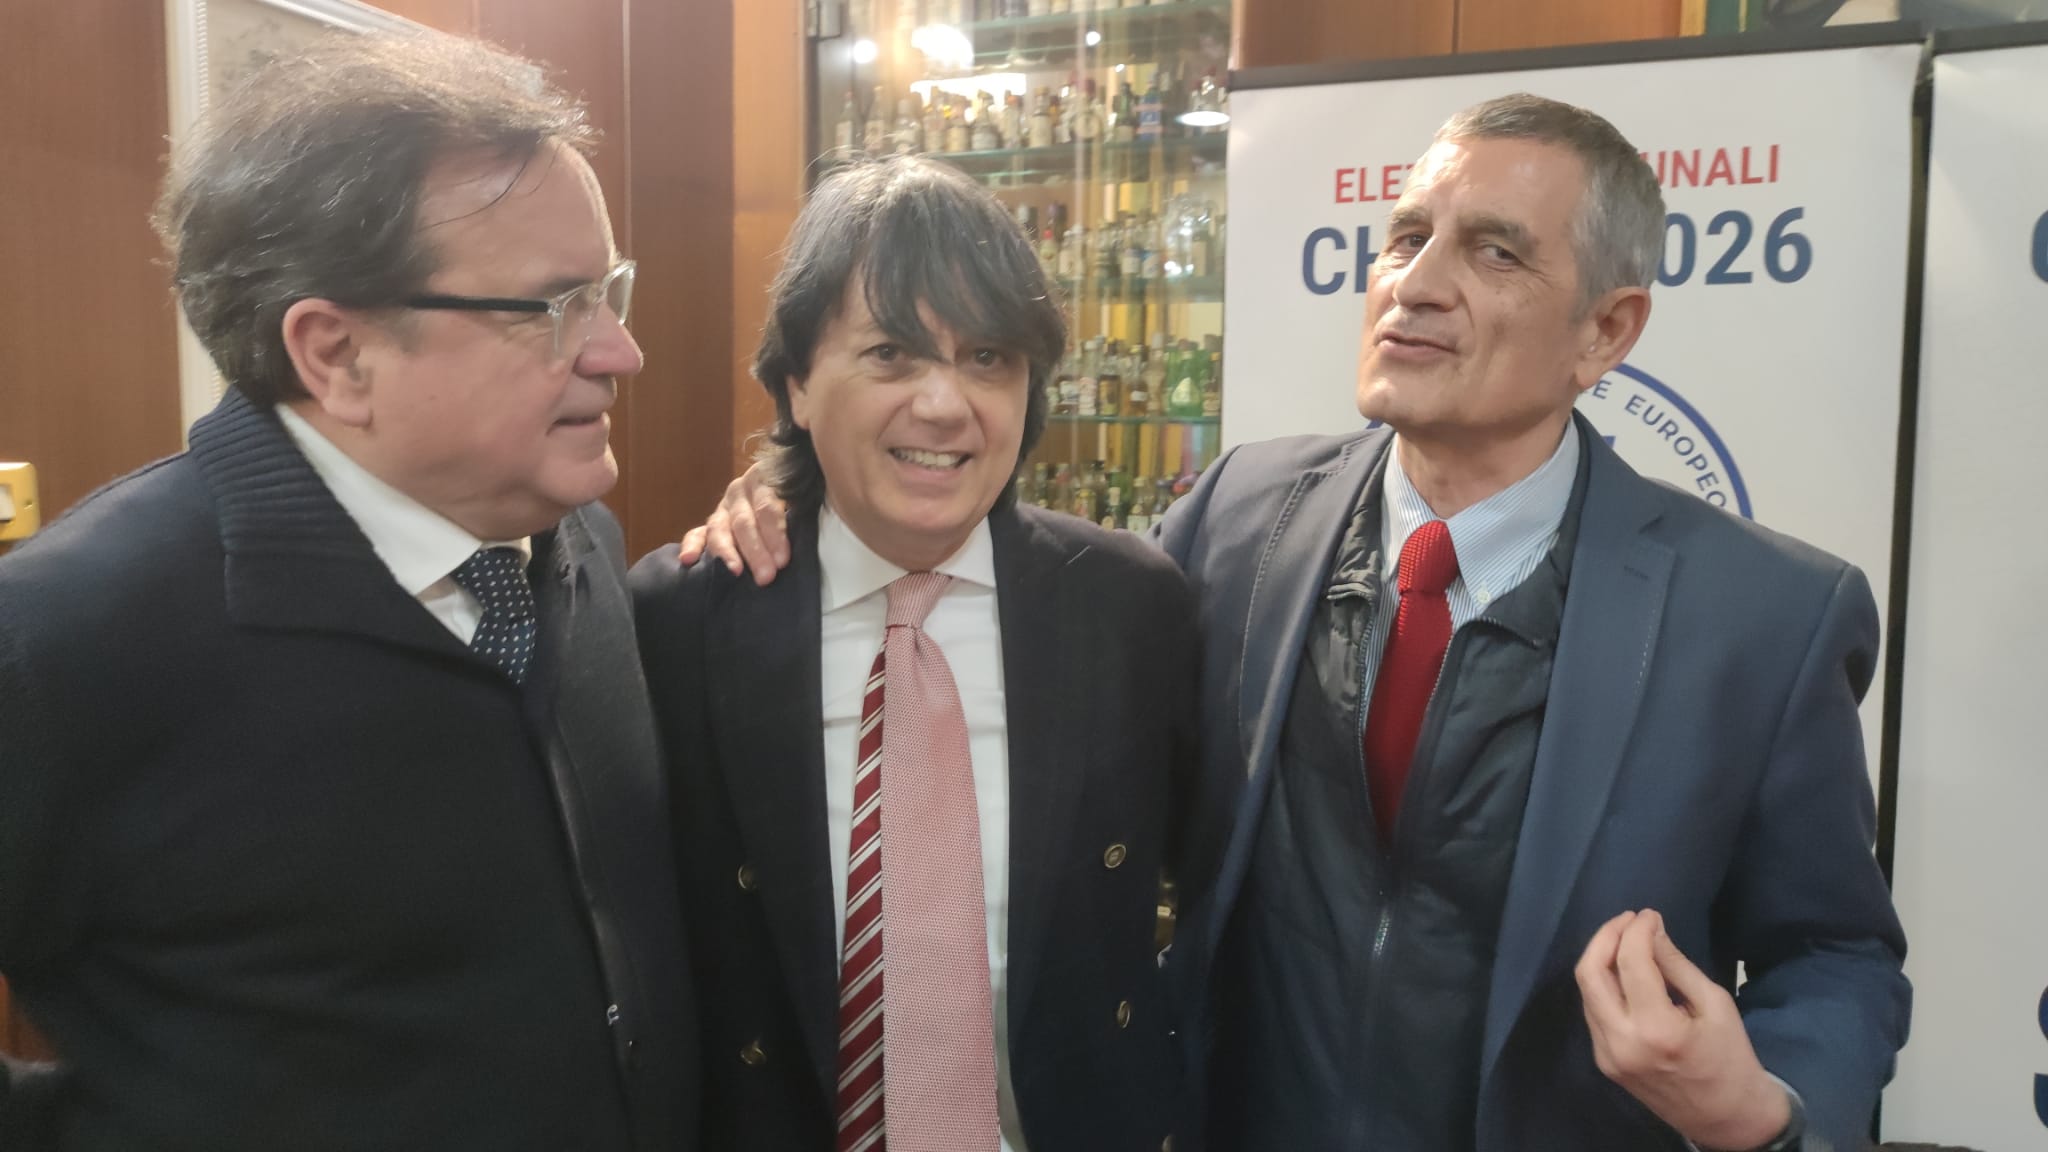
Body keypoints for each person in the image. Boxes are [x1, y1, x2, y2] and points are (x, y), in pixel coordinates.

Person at [680, 94, 1910, 1151]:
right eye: (1405, 237)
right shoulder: (1237, 520)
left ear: (1605, 330)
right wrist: (805, 491)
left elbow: (1837, 955)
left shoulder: (1761, 619)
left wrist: (1760, 1105)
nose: (1415, 285)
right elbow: (1022, 628)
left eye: (1492, 254)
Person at [0, 32, 696, 1152]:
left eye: (607, 291)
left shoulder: (578, 544)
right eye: (553, 308)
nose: (621, 353)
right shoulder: (64, 637)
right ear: (336, 354)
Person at [630, 155, 1224, 1152]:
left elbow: (1212, 881)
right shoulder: (682, 619)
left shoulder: (1128, 608)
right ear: (796, 385)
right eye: (892, 354)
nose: (945, 404)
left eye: (988, 358)